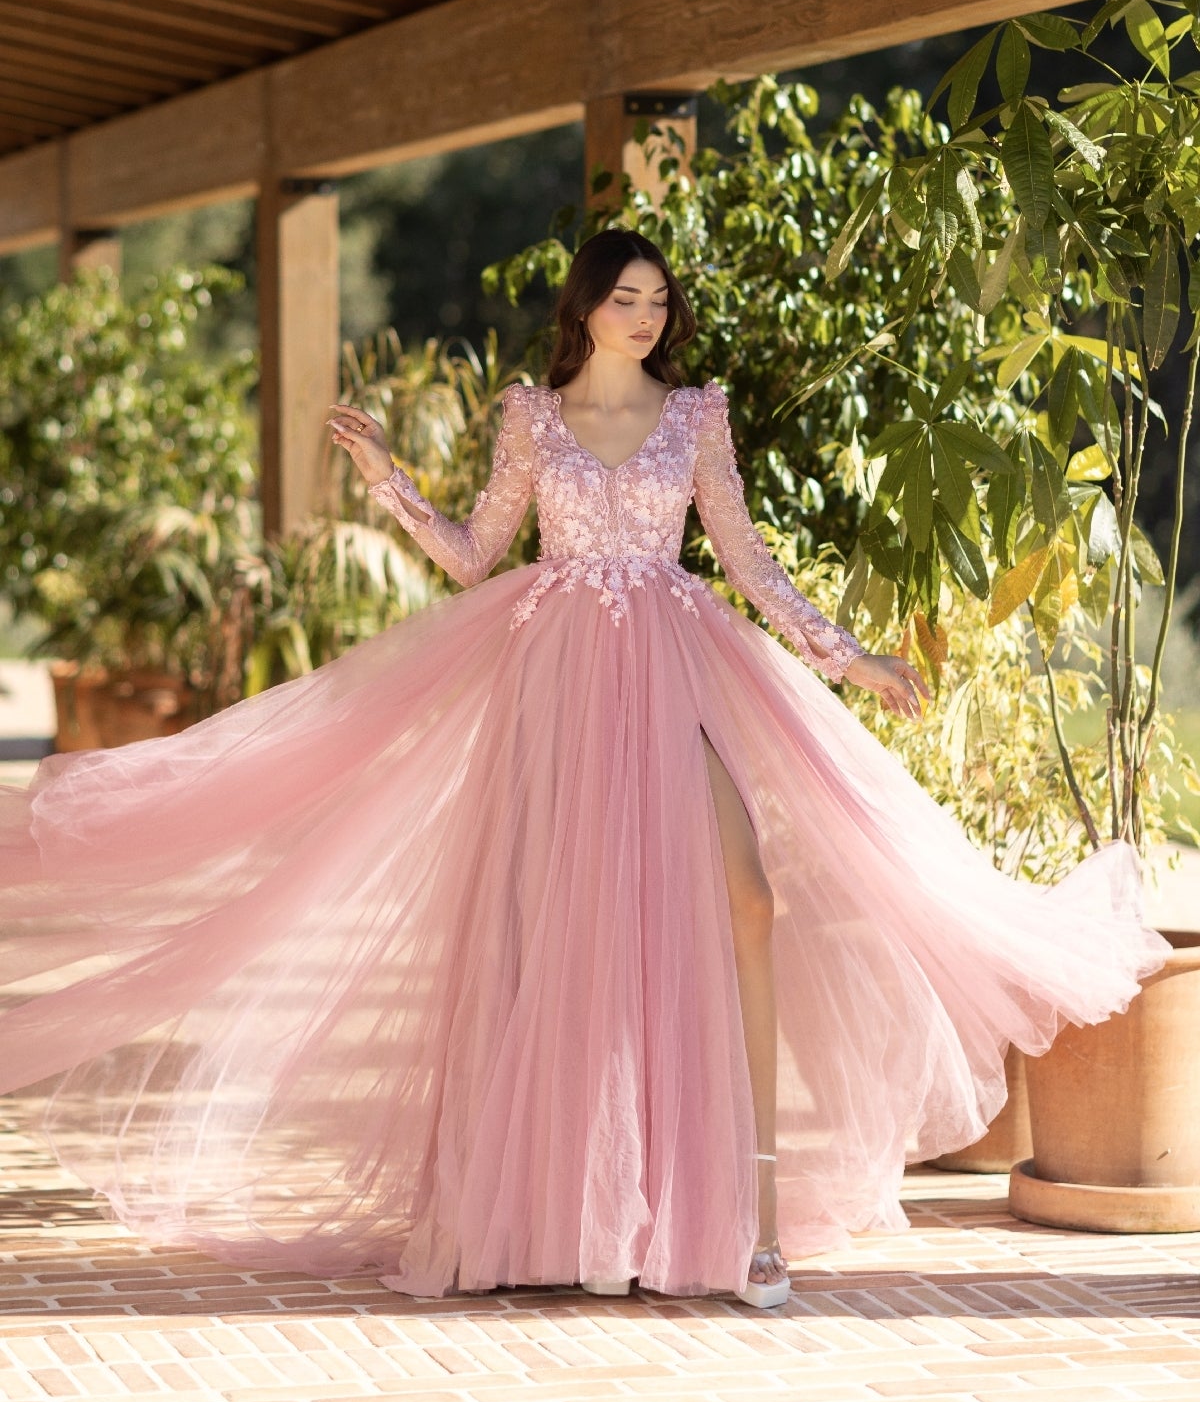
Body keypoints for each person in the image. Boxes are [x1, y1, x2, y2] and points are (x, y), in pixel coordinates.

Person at [0, 230, 1169, 1312]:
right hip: (555, 691)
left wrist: (850, 656)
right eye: (628, 296)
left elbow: (749, 562)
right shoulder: (531, 417)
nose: (649, 315)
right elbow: (473, 555)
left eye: (661, 300)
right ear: (588, 306)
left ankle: (744, 1216)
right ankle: (545, 1218)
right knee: (551, 933)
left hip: (676, 673)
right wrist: (390, 482)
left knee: (747, 896)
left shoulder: (698, 414)